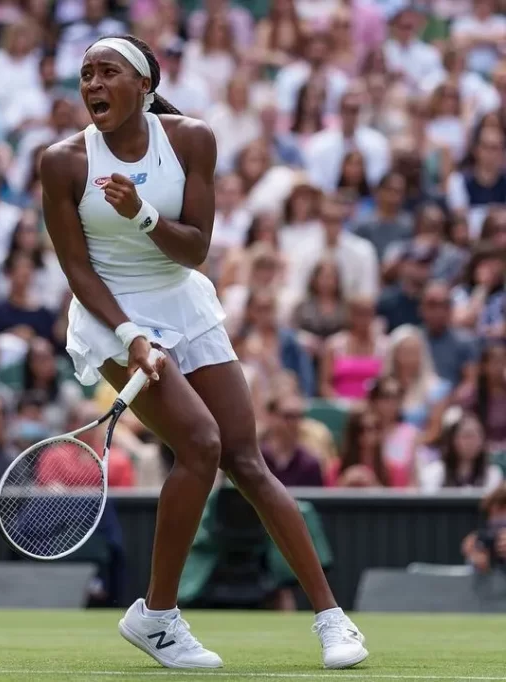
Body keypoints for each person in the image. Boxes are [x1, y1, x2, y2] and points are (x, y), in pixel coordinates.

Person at [39, 35, 366, 669]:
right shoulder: (62, 161)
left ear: (144, 87)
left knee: (245, 459)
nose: (93, 85)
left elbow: (193, 250)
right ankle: (158, 617)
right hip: (109, 314)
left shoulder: (191, 140)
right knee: (200, 446)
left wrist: (139, 214)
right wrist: (131, 336)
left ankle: (332, 618)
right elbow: (77, 270)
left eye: (108, 73)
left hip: (182, 300)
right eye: (85, 75)